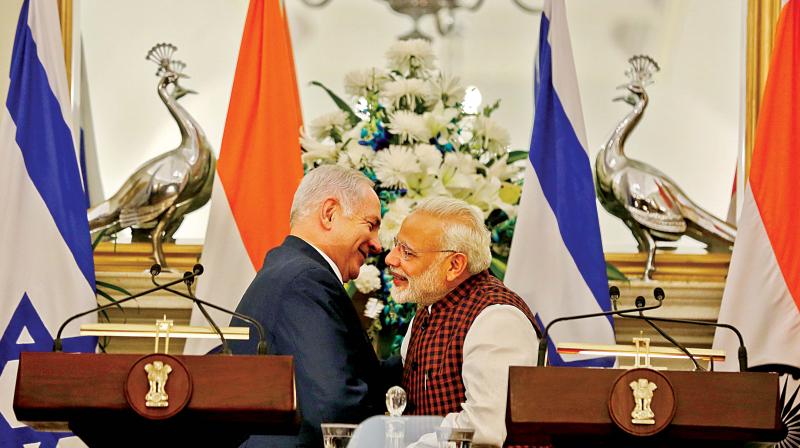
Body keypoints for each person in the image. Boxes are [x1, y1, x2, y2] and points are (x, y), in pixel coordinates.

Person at [230, 165, 400, 447]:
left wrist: (417, 350)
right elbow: (333, 406)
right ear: (330, 213)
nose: (378, 245)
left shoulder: (291, 269)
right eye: (370, 225)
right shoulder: (305, 280)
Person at [386, 197, 540, 448]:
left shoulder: (497, 318)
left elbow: (482, 430)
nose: (391, 259)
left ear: (455, 265)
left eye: (407, 252)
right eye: (396, 246)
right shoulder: (427, 309)